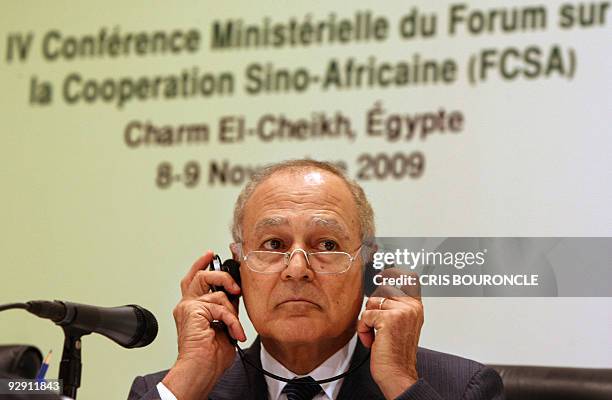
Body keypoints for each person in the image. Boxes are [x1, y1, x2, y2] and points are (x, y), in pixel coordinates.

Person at [128, 159, 504, 400]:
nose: (296, 269)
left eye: (326, 244)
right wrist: (189, 379)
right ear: (234, 270)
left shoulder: (461, 388)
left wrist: (400, 383)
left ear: (368, 269)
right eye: (273, 244)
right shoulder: (170, 391)